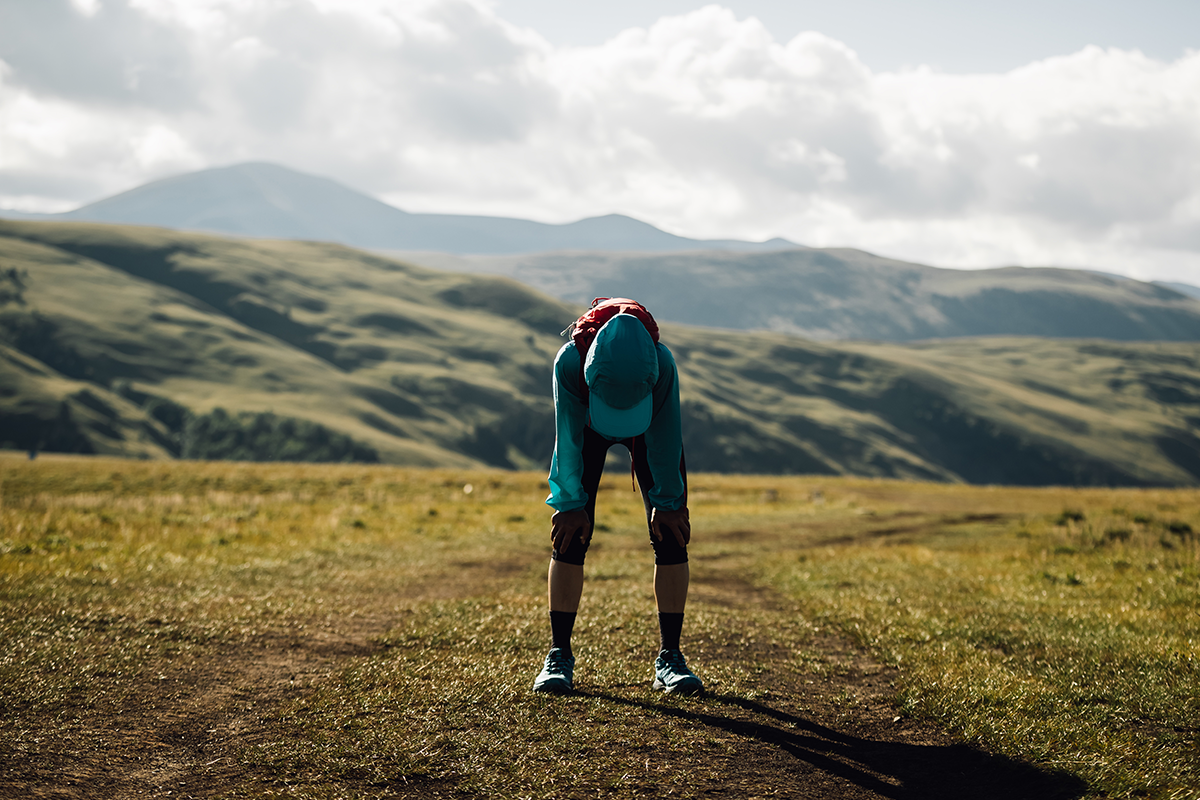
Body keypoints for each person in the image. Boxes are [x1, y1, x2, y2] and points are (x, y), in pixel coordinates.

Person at [533, 304, 703, 695]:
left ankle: (670, 658)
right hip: (588, 427)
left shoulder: (661, 364)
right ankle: (559, 654)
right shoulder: (571, 363)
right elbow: (569, 438)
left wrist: (669, 499)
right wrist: (570, 502)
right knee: (569, 535)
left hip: (648, 425)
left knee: (672, 532)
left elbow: (666, 434)